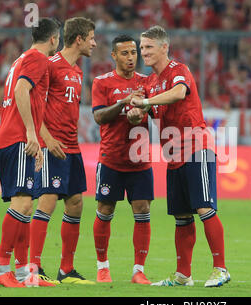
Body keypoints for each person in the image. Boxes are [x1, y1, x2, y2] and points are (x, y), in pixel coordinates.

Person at [130, 25, 230, 287]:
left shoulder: (179, 71)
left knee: (205, 209)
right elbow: (152, 113)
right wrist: (137, 113)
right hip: (173, 155)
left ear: (165, 47)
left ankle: (220, 269)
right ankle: (183, 275)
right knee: (182, 217)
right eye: (142, 47)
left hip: (196, 149)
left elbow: (178, 93)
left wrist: (147, 103)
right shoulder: (151, 83)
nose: (144, 52)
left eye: (149, 47)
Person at [0, 17, 61, 288]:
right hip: (19, 138)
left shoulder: (21, 58)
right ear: (53, 38)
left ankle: (22, 273)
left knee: (26, 204)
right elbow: (22, 90)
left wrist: (37, 142)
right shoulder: (38, 59)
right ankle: (1, 268)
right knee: (20, 204)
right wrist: (32, 133)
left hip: (15, 138)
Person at [29, 17, 97, 285]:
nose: (94, 42)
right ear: (78, 39)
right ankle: (33, 267)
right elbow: (35, 106)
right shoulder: (50, 66)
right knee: (47, 200)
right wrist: (46, 138)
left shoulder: (78, 72)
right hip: (51, 146)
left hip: (72, 147)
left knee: (76, 203)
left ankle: (66, 270)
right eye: (91, 37)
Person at [91, 34, 153, 284]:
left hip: (140, 162)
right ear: (114, 56)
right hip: (111, 160)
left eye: (133, 52)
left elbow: (156, 111)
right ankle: (103, 267)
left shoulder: (148, 82)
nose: (130, 57)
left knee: (143, 210)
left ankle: (138, 270)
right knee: (105, 210)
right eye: (124, 53)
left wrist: (142, 110)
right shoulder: (102, 83)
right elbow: (99, 117)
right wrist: (123, 103)